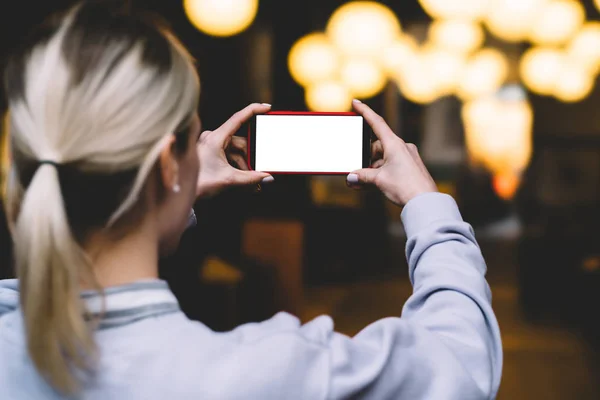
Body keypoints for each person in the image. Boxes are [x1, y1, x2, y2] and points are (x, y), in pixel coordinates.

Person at [0, 2, 502, 399]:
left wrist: (165, 193)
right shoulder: (272, 373)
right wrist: (426, 204)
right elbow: (460, 363)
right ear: (167, 165)